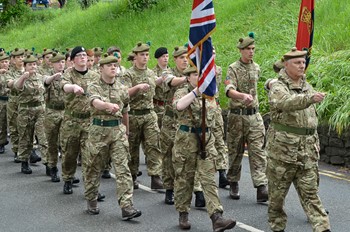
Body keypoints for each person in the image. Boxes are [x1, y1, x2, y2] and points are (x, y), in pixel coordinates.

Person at [266, 47, 331, 232]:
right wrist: (309, 98)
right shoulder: (278, 86)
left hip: (306, 154)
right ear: (286, 65)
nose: (302, 65)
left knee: (312, 196)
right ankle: (277, 228)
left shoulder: (306, 85)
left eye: (303, 62)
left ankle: (323, 228)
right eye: (297, 62)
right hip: (282, 154)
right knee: (277, 199)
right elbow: (286, 103)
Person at [173, 66, 236, 231]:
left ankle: (217, 217)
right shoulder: (182, 92)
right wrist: (196, 92)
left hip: (206, 141)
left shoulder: (210, 95)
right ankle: (183, 212)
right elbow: (179, 106)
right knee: (184, 180)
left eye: (201, 74)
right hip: (186, 142)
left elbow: (213, 119)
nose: (199, 77)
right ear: (187, 77)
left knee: (208, 179)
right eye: (195, 74)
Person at [84, 53, 142, 220]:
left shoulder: (122, 88)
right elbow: (96, 102)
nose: (113, 68)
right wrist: (107, 105)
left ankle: (127, 206)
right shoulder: (94, 85)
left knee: (123, 168)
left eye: (115, 65)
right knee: (93, 167)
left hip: (117, 132)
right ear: (101, 68)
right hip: (98, 131)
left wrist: (126, 130)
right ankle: (92, 198)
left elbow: (125, 111)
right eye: (109, 65)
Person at [224, 33, 268, 202]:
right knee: (235, 152)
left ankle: (261, 187)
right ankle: (233, 181)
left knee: (258, 152)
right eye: (248, 49)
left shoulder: (256, 67)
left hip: (254, 117)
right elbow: (229, 90)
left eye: (253, 49)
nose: (251, 52)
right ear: (241, 50)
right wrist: (241, 96)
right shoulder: (233, 68)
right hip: (237, 117)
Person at [122, 42, 163, 190]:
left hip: (149, 114)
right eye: (142, 55)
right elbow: (123, 93)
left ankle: (155, 176)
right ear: (135, 56)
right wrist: (137, 88)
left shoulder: (151, 73)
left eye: (147, 55)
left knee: (153, 145)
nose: (145, 57)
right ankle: (132, 176)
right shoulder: (128, 74)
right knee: (132, 148)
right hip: (133, 115)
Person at [60, 46, 99, 194]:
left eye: (84, 55)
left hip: (89, 121)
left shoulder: (95, 76)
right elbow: (64, 86)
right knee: (70, 154)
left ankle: (91, 189)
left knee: (90, 156)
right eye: (79, 55)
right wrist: (73, 87)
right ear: (73, 60)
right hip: (72, 121)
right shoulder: (68, 74)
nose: (83, 57)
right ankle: (68, 178)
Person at [13, 55, 54, 174]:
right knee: (26, 137)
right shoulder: (20, 76)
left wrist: (55, 76)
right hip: (25, 111)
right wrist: (23, 77)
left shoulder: (40, 77)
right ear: (25, 66)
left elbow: (46, 80)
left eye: (34, 64)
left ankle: (48, 165)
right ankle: (24, 162)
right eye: (30, 65)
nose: (33, 66)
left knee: (43, 137)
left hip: (40, 110)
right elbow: (17, 86)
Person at [159, 45, 188, 205]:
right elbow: (171, 82)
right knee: (169, 154)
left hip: (186, 121)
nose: (185, 60)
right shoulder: (167, 73)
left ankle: (191, 190)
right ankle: (169, 189)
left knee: (187, 155)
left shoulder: (193, 73)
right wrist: (188, 78)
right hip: (171, 121)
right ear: (175, 60)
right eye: (181, 58)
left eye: (186, 57)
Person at [44, 52, 66, 182]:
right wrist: (53, 77)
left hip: (65, 112)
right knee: (52, 142)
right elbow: (45, 82)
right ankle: (52, 167)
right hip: (52, 112)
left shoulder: (68, 76)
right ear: (52, 64)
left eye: (63, 62)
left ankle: (67, 173)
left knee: (66, 143)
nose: (61, 64)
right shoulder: (47, 75)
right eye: (58, 62)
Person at [212, 46, 229, 188]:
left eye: (214, 52)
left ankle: (222, 172)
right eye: (209, 53)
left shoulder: (217, 69)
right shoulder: (197, 70)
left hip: (215, 108)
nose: (212, 55)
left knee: (219, 139)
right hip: (201, 109)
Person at [6, 48, 25, 163]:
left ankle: (28, 151)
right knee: (14, 127)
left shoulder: (28, 69)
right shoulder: (9, 72)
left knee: (26, 128)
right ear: (12, 59)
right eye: (18, 57)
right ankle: (16, 150)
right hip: (14, 102)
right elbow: (10, 84)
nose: (21, 59)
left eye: (22, 57)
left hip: (27, 103)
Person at [0, 51, 10, 154]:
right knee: (1, 123)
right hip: (1, 100)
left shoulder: (11, 72)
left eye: (6, 61)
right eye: (2, 62)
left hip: (12, 100)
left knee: (14, 124)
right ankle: (1, 142)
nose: (4, 64)